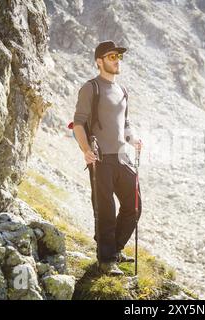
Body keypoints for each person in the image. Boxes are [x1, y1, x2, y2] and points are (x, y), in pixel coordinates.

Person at [73, 40, 142, 276]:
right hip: (101, 159)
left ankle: (116, 249)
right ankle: (106, 260)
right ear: (99, 61)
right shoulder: (91, 88)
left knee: (134, 206)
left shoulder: (122, 90)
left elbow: (125, 123)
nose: (116, 60)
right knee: (105, 211)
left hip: (123, 157)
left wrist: (133, 139)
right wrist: (85, 150)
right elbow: (78, 123)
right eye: (111, 56)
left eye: (118, 57)